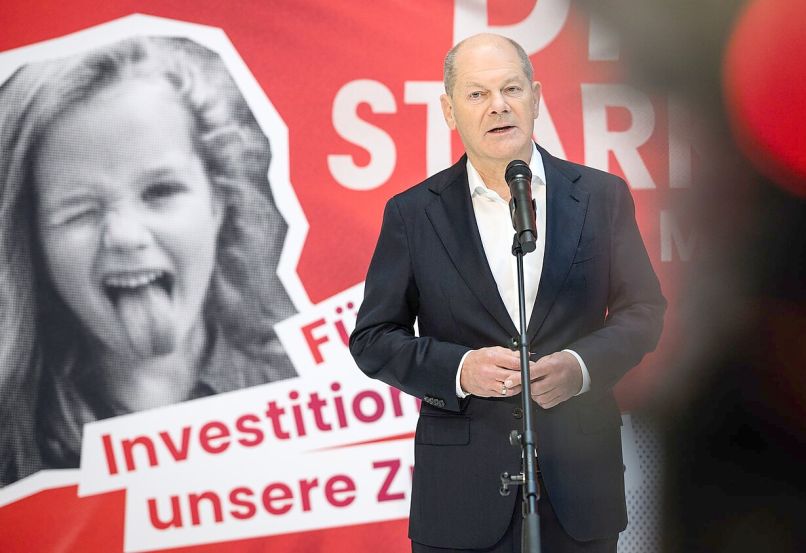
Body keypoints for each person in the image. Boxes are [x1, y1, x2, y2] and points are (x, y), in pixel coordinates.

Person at [350, 33, 666, 552]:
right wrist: (459, 370)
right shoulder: (412, 214)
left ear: (536, 98)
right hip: (461, 495)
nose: (498, 106)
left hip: (580, 490)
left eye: (511, 89)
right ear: (449, 111)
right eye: (477, 94)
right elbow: (373, 338)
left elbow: (644, 311)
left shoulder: (600, 196)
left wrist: (581, 367)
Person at [0, 36, 296, 486]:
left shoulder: (309, 390)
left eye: (160, 192)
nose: (124, 236)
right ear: (34, 243)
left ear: (219, 201)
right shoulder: (13, 440)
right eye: (78, 210)